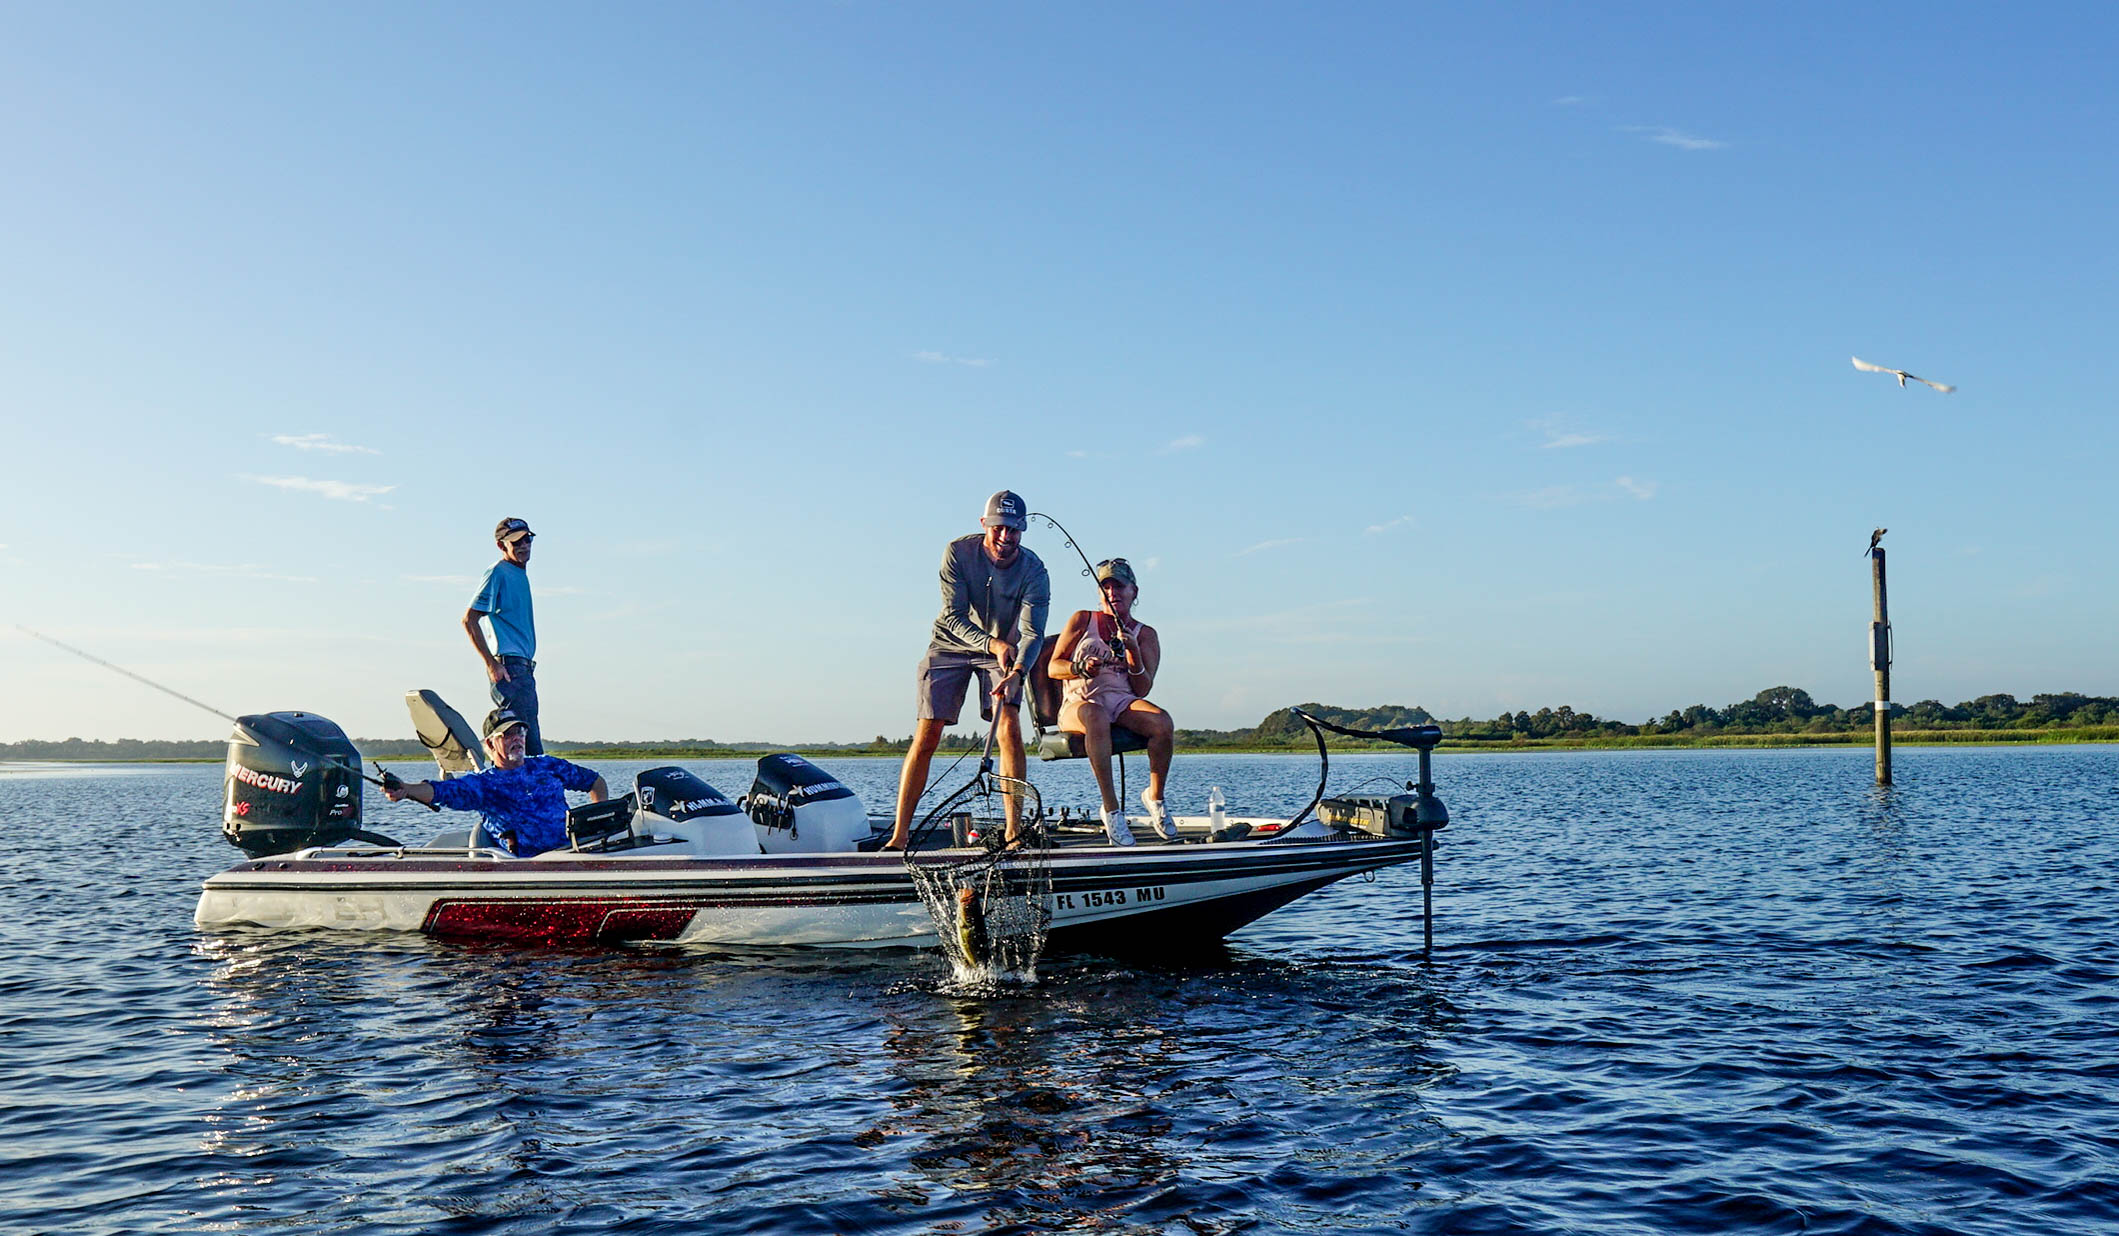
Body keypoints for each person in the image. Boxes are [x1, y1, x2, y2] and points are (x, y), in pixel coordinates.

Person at [885, 490, 1051, 850]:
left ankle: (1012, 832)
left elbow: (1033, 633)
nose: (1006, 538)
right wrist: (994, 643)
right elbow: (953, 615)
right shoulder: (957, 552)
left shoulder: (1035, 570)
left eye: (1015, 531)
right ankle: (899, 837)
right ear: (985, 525)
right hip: (950, 644)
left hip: (1003, 655)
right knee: (927, 734)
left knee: (1009, 725)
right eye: (1000, 528)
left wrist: (1019, 672)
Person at [1046, 557, 1175, 845]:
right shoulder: (1082, 620)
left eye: (1119, 586)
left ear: (1134, 591)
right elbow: (1053, 667)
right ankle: (1112, 809)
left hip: (1120, 700)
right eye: (1106, 587)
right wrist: (1079, 667)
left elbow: (1142, 689)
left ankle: (1155, 797)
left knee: (1162, 722)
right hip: (1079, 701)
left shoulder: (1146, 634)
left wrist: (1133, 653)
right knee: (1095, 715)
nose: (1112, 593)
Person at [381, 707, 608, 857]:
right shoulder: (484, 785)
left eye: (519, 732)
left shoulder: (548, 765)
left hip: (572, 853)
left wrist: (598, 824)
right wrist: (406, 789)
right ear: (489, 745)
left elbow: (596, 782)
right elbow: (440, 791)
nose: (517, 739)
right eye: (507, 735)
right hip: (529, 868)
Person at [464, 517, 544, 755]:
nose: (523, 546)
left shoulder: (519, 574)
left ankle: (526, 791)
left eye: (527, 539)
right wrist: (491, 664)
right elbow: (469, 620)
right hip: (509, 668)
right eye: (516, 542)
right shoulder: (498, 573)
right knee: (524, 747)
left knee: (529, 744)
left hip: (524, 669)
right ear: (502, 546)